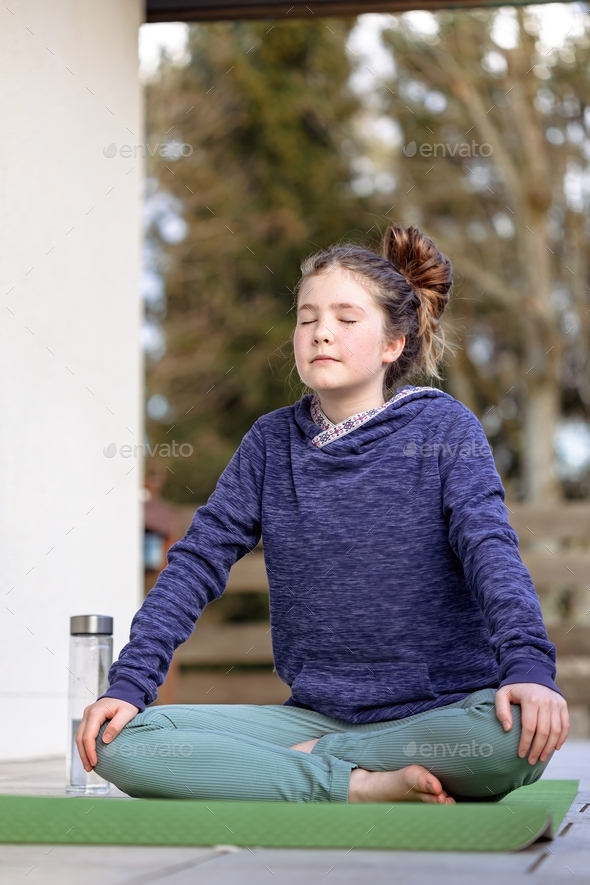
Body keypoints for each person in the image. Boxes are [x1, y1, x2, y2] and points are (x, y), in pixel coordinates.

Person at [76, 222, 569, 805]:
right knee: (117, 743)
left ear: (393, 344)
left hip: (443, 715)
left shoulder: (445, 429)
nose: (321, 333)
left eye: (346, 319)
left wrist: (528, 667)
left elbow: (491, 550)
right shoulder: (269, 444)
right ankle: (354, 783)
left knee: (512, 739)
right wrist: (130, 684)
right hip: (311, 718)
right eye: (307, 318)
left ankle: (302, 767)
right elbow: (197, 562)